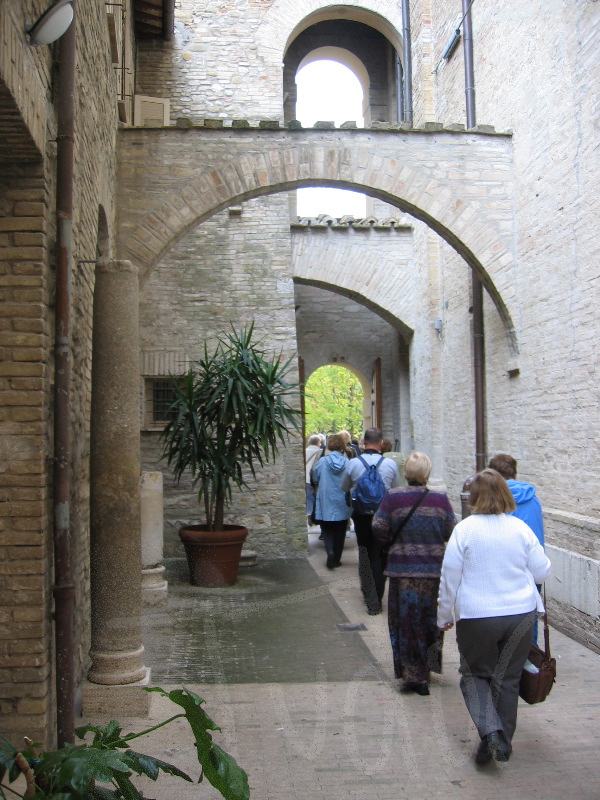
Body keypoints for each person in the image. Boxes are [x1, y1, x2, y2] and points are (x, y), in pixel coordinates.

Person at [437, 468, 551, 765]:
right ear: (505, 494)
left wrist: (443, 615)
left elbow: (449, 578)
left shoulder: (464, 530)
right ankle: (501, 739)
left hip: (477, 615)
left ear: (473, 497)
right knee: (508, 679)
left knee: (474, 675)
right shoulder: (520, 529)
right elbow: (542, 571)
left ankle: (491, 733)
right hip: (520, 614)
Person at [372, 452, 455, 694]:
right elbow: (451, 530)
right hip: (432, 572)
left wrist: (394, 540)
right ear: (427, 473)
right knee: (430, 621)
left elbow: (378, 526)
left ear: (407, 473)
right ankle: (425, 671)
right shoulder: (440, 499)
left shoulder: (393, 497)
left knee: (405, 623)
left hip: (402, 572)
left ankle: (411, 673)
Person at [342, 428, 401, 615]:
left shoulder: (353, 463)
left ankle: (369, 596)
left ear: (363, 442)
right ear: (381, 443)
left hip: (361, 515)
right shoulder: (390, 464)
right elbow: (396, 489)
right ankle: (378, 593)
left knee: (365, 552)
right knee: (381, 554)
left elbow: (344, 486)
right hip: (383, 515)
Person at [488, 452, 545, 642]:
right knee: (529, 620)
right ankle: (529, 662)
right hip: (533, 565)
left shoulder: (495, 500)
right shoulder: (533, 498)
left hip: (506, 567)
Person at [311, 433, 352, 570]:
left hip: (326, 499)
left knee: (327, 529)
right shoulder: (347, 462)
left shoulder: (323, 461)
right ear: (342, 447)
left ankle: (330, 551)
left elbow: (315, 477)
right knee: (340, 530)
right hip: (342, 499)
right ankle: (337, 559)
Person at [305, 435, 323, 525]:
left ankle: (308, 513)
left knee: (308, 498)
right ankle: (313, 515)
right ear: (318, 442)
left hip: (304, 479)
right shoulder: (319, 452)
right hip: (313, 478)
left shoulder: (304, 451)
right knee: (314, 498)